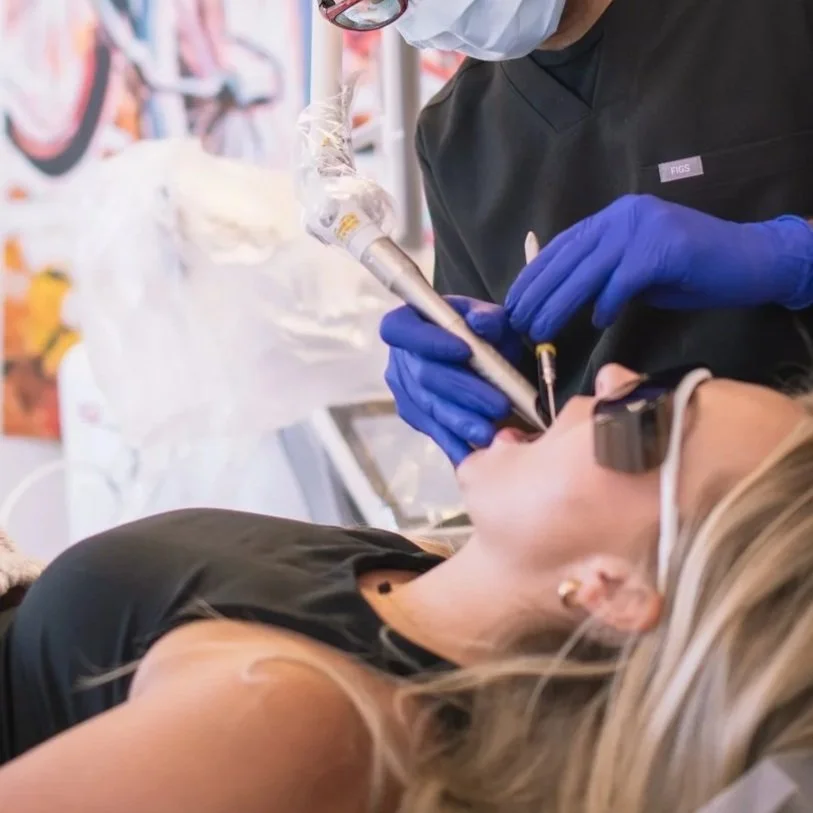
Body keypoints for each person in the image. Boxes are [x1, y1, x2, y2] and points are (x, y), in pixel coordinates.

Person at [3, 364, 813, 813]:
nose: (607, 375)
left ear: (613, 590)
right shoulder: (422, 582)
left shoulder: (296, 717)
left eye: (644, 416)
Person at [317, 0, 813, 466]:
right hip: (635, 533)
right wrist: (478, 387)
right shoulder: (456, 137)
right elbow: (522, 430)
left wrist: (787, 257)